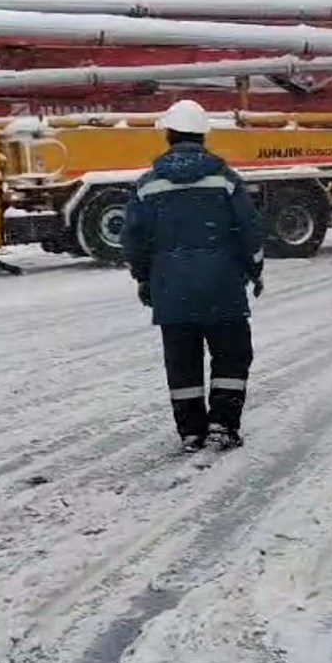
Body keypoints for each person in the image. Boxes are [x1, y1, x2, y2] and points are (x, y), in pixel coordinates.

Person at [122, 100, 265, 453]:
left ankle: (191, 432)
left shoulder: (147, 185)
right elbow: (249, 230)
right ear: (203, 136)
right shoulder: (226, 180)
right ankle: (223, 426)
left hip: (171, 290)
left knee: (182, 362)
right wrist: (254, 269)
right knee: (231, 356)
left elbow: (133, 240)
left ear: (168, 135)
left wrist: (144, 278)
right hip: (223, 286)